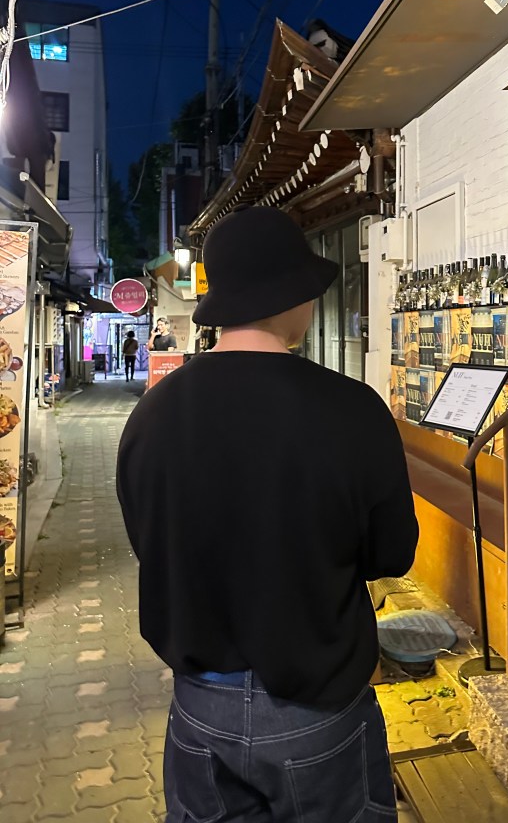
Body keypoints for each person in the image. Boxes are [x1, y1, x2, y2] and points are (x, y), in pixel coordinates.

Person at [116, 206, 419, 823]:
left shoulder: (153, 415)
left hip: (199, 707)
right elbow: (391, 553)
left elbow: (151, 544)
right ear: (291, 296)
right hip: (320, 702)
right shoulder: (352, 409)